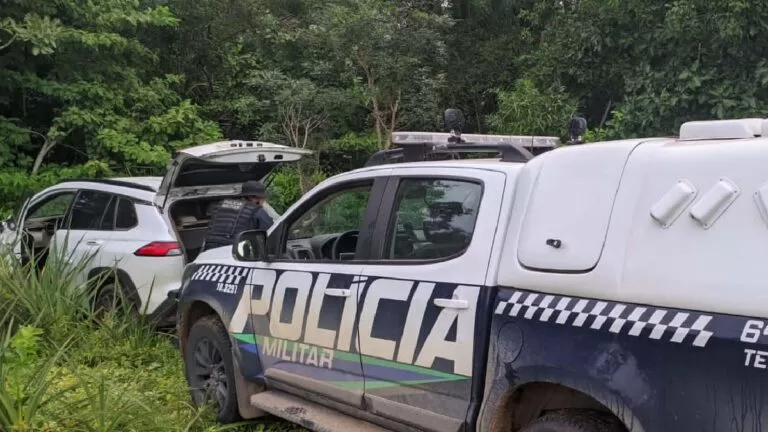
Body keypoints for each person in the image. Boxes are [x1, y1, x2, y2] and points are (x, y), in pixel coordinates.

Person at [201, 180, 274, 252]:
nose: (263, 201)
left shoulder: (220, 204)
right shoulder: (256, 210)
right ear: (254, 198)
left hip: (209, 248)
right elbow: (271, 231)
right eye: (263, 198)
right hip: (233, 250)